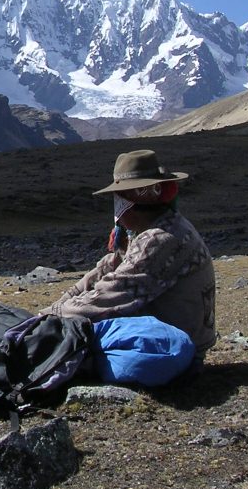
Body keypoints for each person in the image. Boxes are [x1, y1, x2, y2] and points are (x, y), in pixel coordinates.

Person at [40, 149, 216, 357]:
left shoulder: (159, 240)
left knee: (71, 344)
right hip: (174, 342)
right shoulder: (159, 229)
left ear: (129, 202)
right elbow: (106, 269)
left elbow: (111, 295)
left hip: (170, 350)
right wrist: (56, 308)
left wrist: (49, 319)